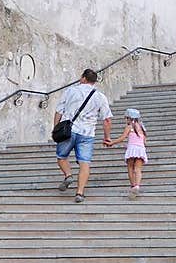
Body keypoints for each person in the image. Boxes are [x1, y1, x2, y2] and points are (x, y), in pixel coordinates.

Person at [53, 67, 112, 203]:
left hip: (69, 130)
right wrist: (107, 137)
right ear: (94, 81)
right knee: (85, 163)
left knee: (61, 157)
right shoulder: (100, 97)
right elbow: (107, 119)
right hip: (87, 133)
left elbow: (59, 111)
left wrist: (56, 128)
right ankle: (80, 193)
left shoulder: (70, 91)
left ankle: (68, 175)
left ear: (83, 78)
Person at [113, 107, 148, 197]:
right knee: (138, 169)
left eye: (127, 118)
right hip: (140, 149)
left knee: (130, 168)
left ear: (130, 118)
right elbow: (144, 141)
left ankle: (133, 185)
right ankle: (137, 186)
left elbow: (123, 137)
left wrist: (112, 142)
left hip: (132, 149)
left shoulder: (129, 127)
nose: (126, 120)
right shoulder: (142, 128)